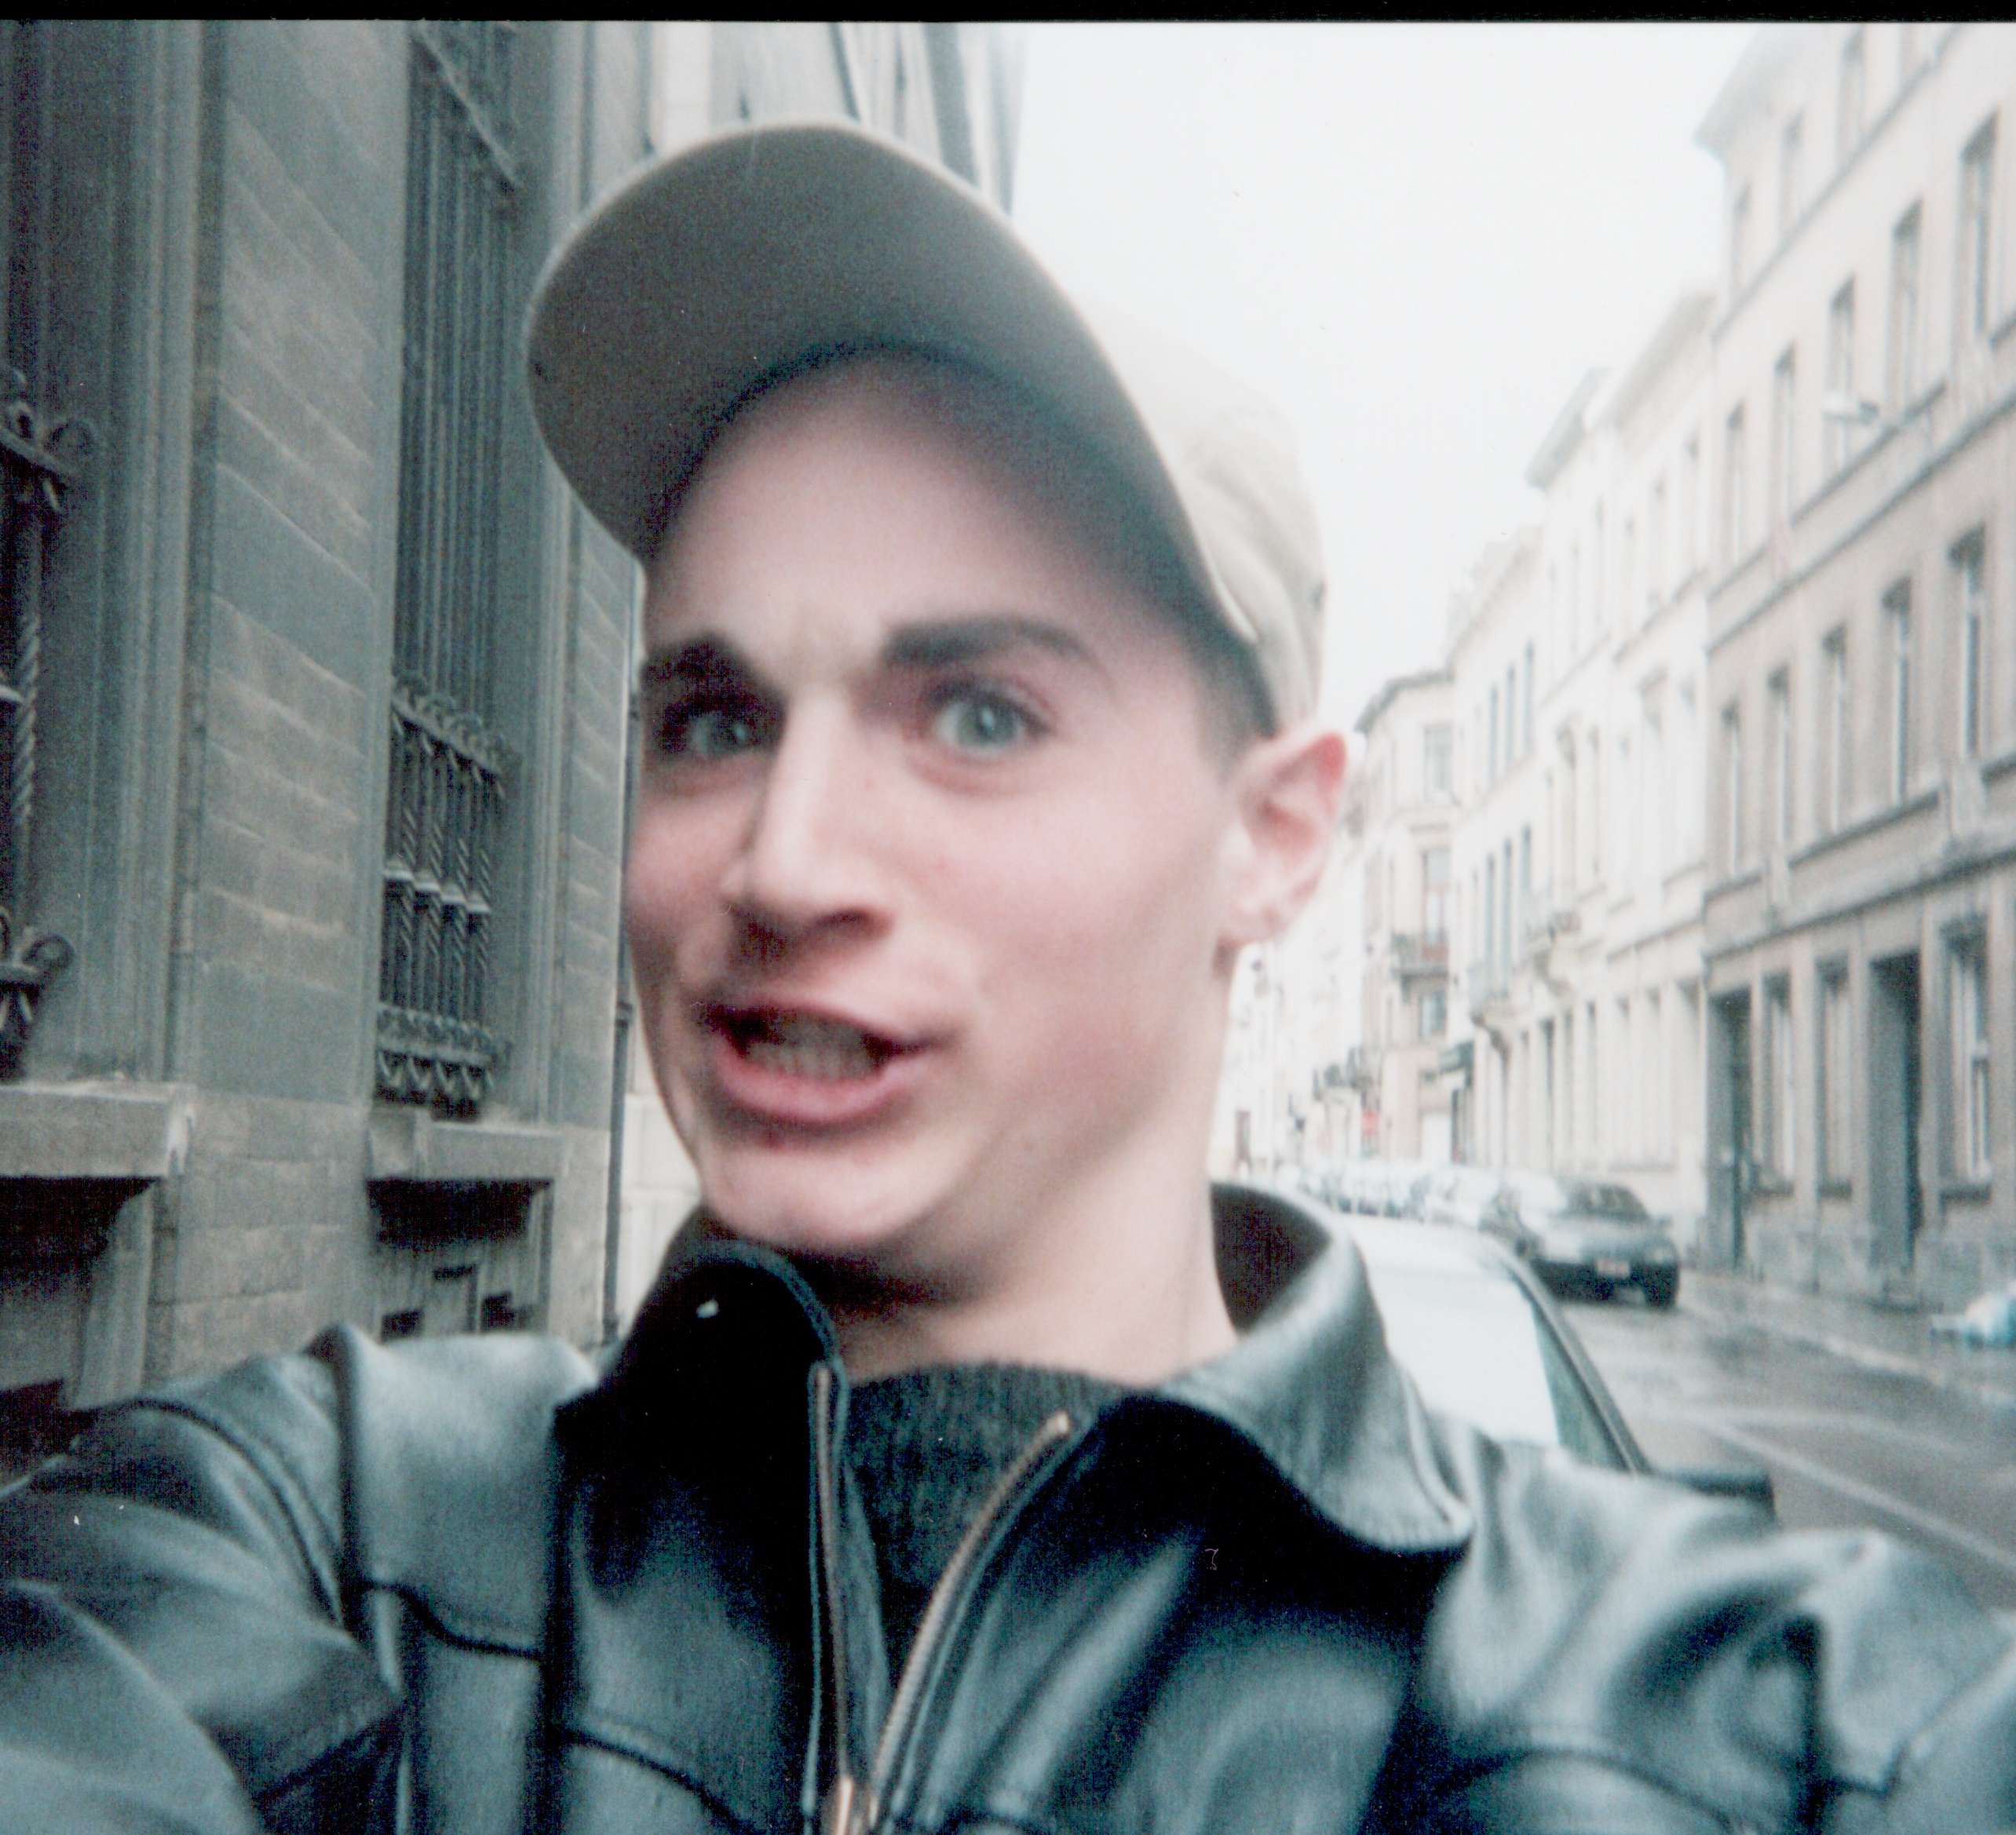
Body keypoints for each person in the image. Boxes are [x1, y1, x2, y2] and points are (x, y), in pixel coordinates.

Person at [2, 119, 2014, 1835]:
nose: (785, 861)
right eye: (714, 719)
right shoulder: (330, 1527)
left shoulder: (1771, 1722)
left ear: (1274, 836)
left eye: (976, 716)